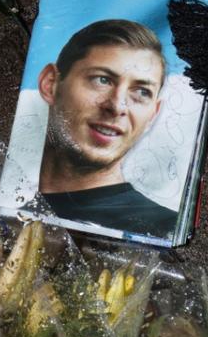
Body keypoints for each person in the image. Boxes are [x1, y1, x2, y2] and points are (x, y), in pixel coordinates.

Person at [36, 19, 178, 238]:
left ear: (153, 114)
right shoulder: (5, 193)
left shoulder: (163, 229)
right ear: (50, 83)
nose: (117, 106)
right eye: (102, 79)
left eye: (141, 92)